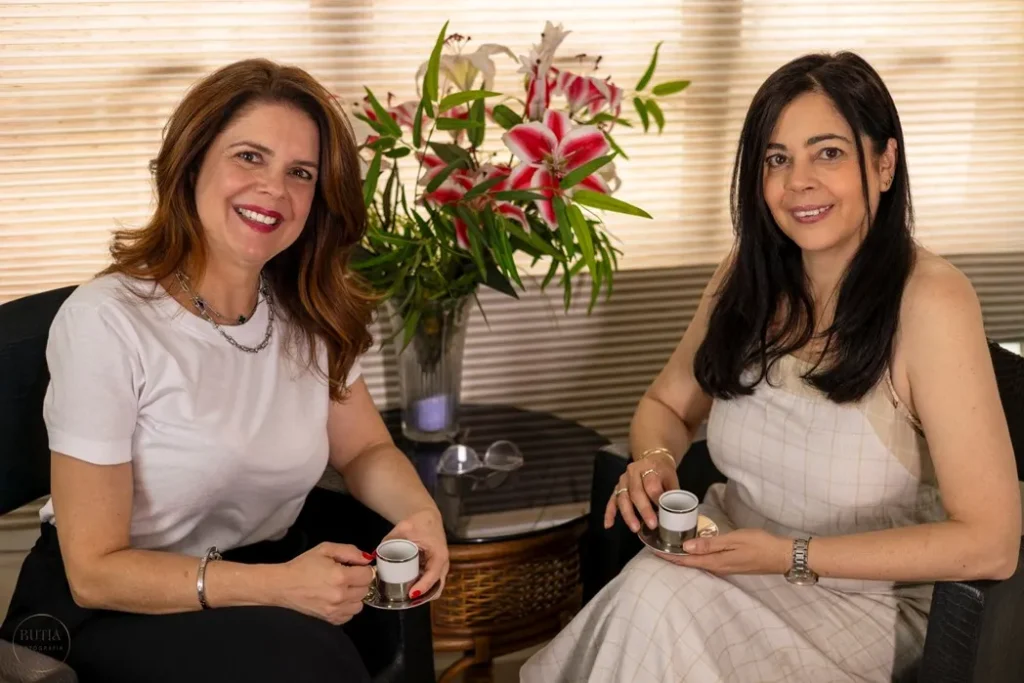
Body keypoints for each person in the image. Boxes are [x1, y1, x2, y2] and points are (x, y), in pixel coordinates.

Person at [521, 51, 1020, 683]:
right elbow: (667, 405)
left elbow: (991, 544)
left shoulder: (932, 302)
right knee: (655, 594)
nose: (797, 183)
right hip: (724, 560)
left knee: (658, 602)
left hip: (867, 604)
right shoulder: (747, 276)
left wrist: (790, 555)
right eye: (777, 159)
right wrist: (654, 461)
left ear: (884, 163)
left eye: (828, 153)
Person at [0, 59, 449, 683]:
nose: (274, 189)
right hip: (105, 607)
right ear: (192, 166)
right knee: (306, 658)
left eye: (300, 173)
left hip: (254, 572)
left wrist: (423, 514)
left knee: (357, 628)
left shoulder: (307, 310)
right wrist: (279, 587)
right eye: (249, 157)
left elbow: (365, 448)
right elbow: (94, 571)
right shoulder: (106, 321)